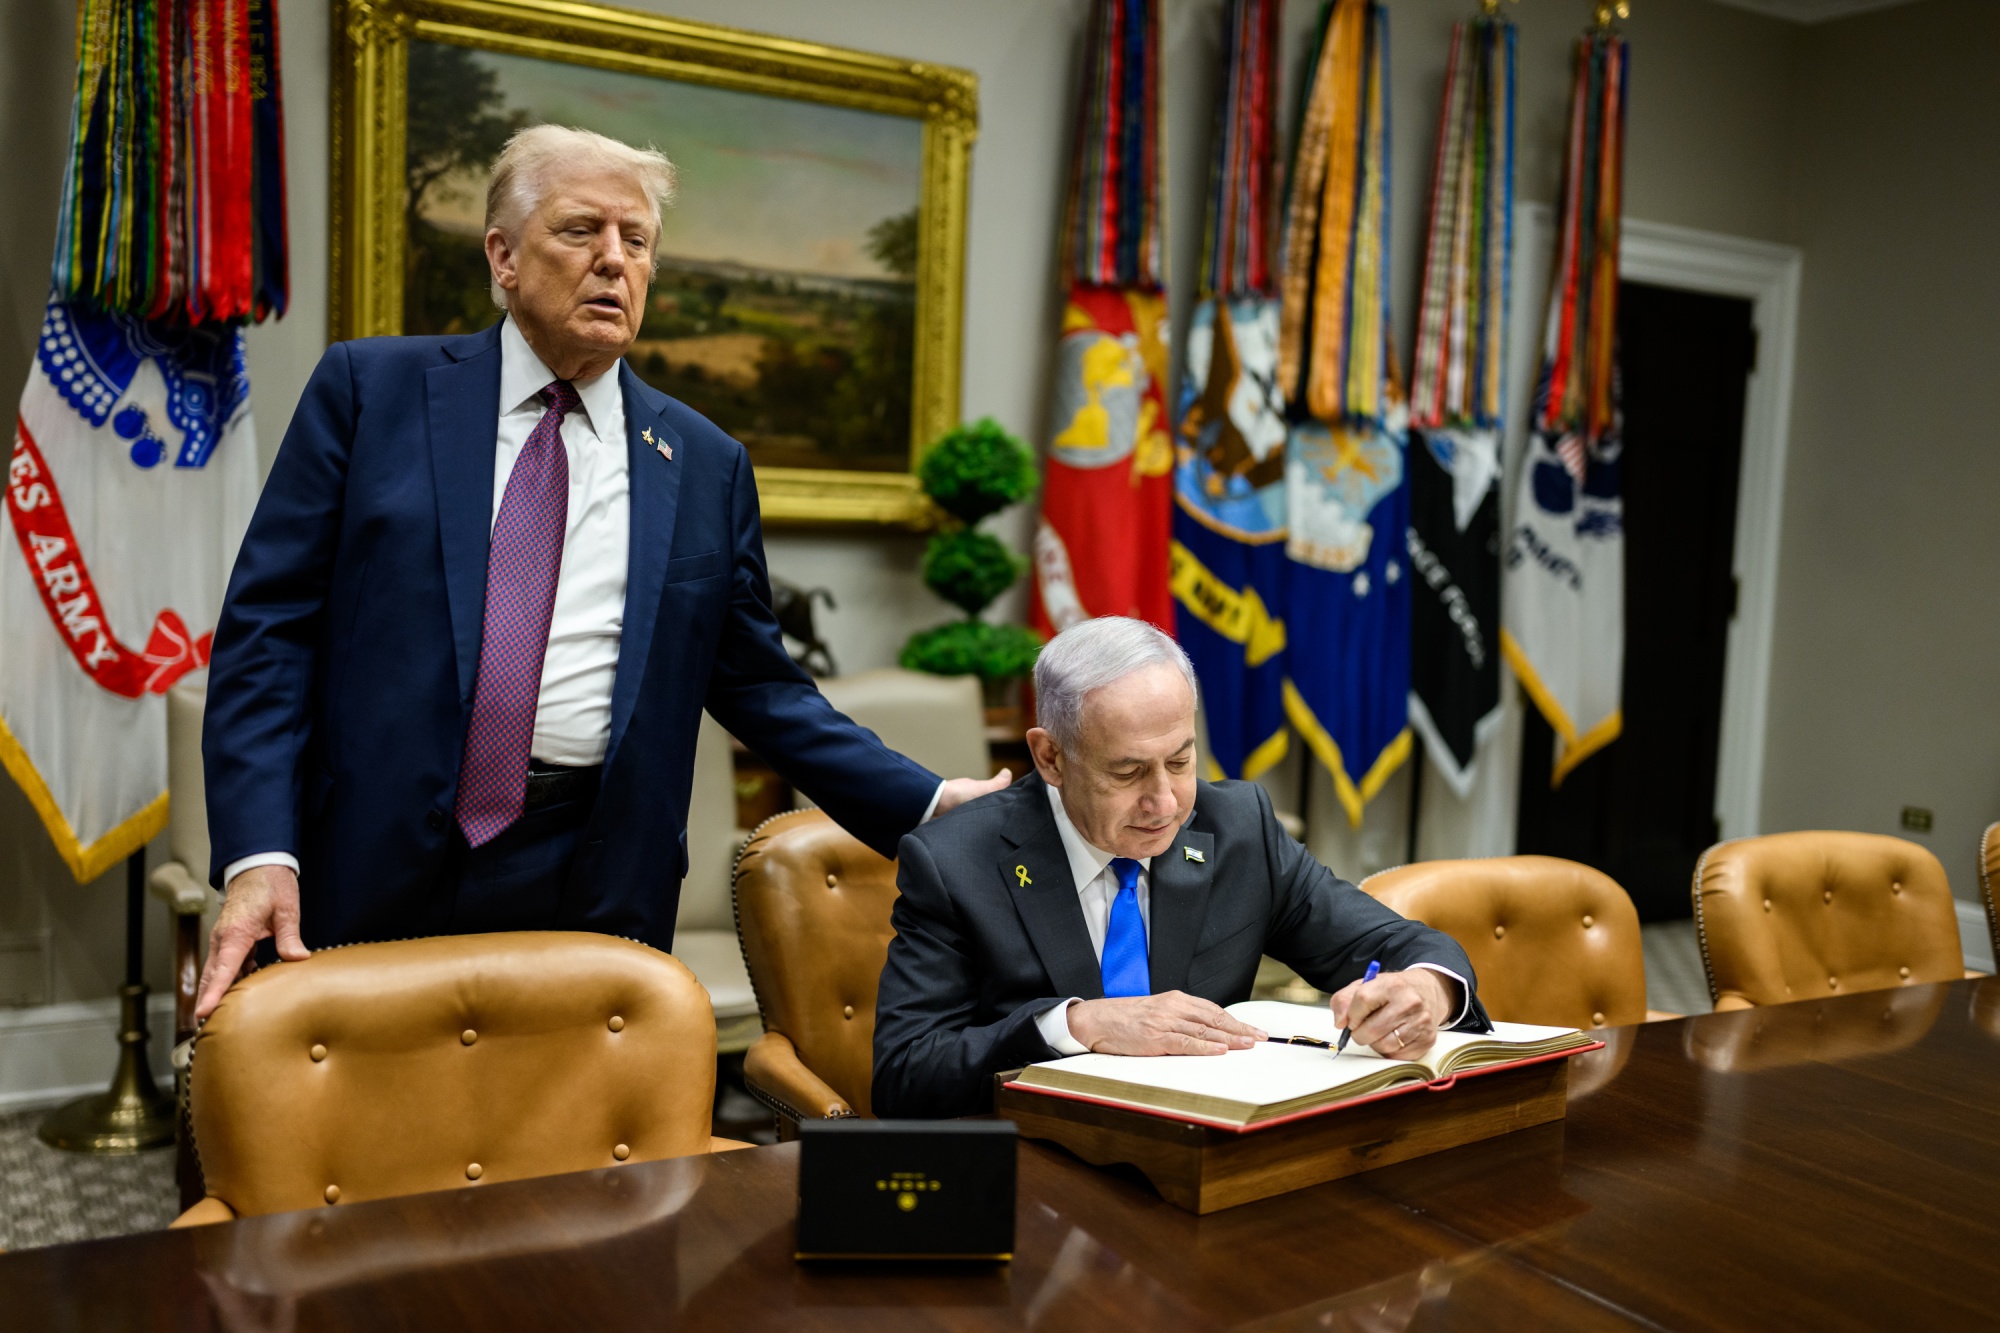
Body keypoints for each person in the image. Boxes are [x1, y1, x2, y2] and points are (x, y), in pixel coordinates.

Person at [196, 125, 1008, 1018]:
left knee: (568, 1149)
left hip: (592, 871)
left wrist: (928, 802)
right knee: (366, 1142)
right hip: (371, 853)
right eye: (582, 230)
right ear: (503, 256)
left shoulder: (703, 462)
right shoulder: (369, 393)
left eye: (638, 241)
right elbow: (268, 637)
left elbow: (763, 688)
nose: (614, 261)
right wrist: (259, 850)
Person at [872, 616, 1489, 1119]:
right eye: (1127, 771)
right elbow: (906, 1076)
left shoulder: (1236, 826)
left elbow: (1401, 943)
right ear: (1050, 756)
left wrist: (1424, 990)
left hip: (1214, 1162)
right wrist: (1075, 1024)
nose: (1165, 803)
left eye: (1180, 761)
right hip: (1041, 1176)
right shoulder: (956, 861)